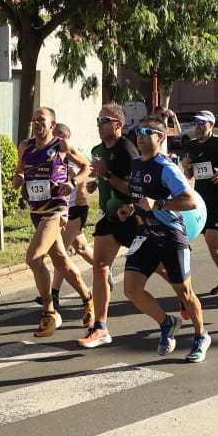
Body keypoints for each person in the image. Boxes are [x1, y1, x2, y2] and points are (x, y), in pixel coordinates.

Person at [119, 122, 211, 362]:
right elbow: (141, 197)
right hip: (147, 234)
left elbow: (191, 201)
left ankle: (201, 335)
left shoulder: (166, 168)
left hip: (171, 234)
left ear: (160, 137)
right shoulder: (137, 163)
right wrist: (130, 208)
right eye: (138, 132)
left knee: (185, 292)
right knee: (131, 289)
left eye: (147, 133)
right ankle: (167, 322)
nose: (140, 136)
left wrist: (159, 204)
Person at [14, 106, 94, 337]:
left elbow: (86, 167)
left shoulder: (62, 145)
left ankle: (50, 312)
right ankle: (88, 299)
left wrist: (74, 182)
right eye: (33, 120)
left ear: (52, 124)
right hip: (36, 210)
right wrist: (18, 178)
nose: (36, 124)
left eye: (41, 120)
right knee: (61, 261)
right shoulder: (25, 146)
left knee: (34, 257)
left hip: (57, 209)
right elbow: (20, 172)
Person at [77, 104, 140, 349]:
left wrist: (106, 175)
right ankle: (101, 327)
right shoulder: (97, 150)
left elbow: (134, 190)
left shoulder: (128, 152)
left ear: (118, 124)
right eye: (98, 119)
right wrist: (96, 182)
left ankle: (184, 298)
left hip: (132, 216)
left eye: (104, 119)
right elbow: (102, 176)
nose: (99, 123)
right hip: (108, 216)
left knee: (159, 268)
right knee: (100, 267)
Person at [180, 110, 218, 295]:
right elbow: (189, 175)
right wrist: (185, 167)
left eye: (201, 123)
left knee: (211, 238)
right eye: (196, 123)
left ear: (211, 125)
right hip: (200, 199)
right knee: (211, 242)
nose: (197, 126)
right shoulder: (191, 145)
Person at [45, 121, 97, 310]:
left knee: (61, 253)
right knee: (82, 248)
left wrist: (76, 178)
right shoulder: (50, 155)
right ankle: (103, 268)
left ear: (65, 138)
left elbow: (88, 168)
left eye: (57, 136)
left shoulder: (75, 152)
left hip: (76, 210)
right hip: (61, 209)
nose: (53, 139)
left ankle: (54, 293)